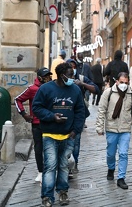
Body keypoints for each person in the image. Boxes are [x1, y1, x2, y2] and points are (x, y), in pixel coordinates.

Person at [32, 62, 86, 207]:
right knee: (50, 166)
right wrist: (52, 116)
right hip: (49, 134)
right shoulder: (45, 89)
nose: (72, 78)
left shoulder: (75, 90)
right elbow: (36, 107)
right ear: (61, 75)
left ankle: (63, 192)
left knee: (63, 166)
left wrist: (76, 130)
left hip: (68, 135)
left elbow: (80, 111)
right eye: (69, 75)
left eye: (73, 75)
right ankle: (47, 196)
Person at [95, 72, 132, 190]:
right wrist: (100, 127)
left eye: (126, 82)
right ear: (117, 81)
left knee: (124, 153)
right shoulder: (108, 93)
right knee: (110, 153)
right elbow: (101, 110)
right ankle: (111, 168)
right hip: (111, 128)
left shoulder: (131, 95)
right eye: (122, 82)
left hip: (125, 129)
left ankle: (121, 178)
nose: (124, 85)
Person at [14, 67, 52, 183]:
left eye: (49, 75)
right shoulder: (32, 89)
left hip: (50, 122)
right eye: (45, 76)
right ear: (40, 78)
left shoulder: (53, 87)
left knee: (51, 148)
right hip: (37, 123)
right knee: (38, 148)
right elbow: (18, 100)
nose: (48, 78)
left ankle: (50, 171)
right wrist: (24, 114)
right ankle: (40, 171)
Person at [66, 58, 99, 172]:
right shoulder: (60, 81)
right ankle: (65, 164)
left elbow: (96, 89)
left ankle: (74, 163)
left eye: (74, 67)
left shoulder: (81, 78)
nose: (72, 70)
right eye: (70, 67)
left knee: (76, 141)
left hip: (78, 116)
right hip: (64, 117)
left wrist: (83, 84)